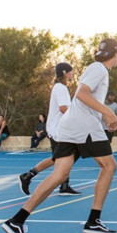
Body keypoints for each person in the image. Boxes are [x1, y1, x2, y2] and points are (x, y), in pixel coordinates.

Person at [2, 38, 117, 233]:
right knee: (109, 166)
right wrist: (108, 113)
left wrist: (104, 117)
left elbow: (85, 102)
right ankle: (93, 220)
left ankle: (17, 220)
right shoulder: (100, 69)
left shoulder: (96, 68)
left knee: (60, 174)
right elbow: (81, 95)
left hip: (71, 126)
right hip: (82, 126)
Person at [18, 62, 80, 196]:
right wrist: (80, 117)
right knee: (60, 158)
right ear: (64, 73)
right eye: (70, 71)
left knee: (64, 157)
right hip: (58, 131)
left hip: (59, 130)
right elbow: (64, 108)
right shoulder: (60, 88)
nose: (72, 73)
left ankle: (63, 185)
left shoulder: (60, 87)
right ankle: (28, 176)